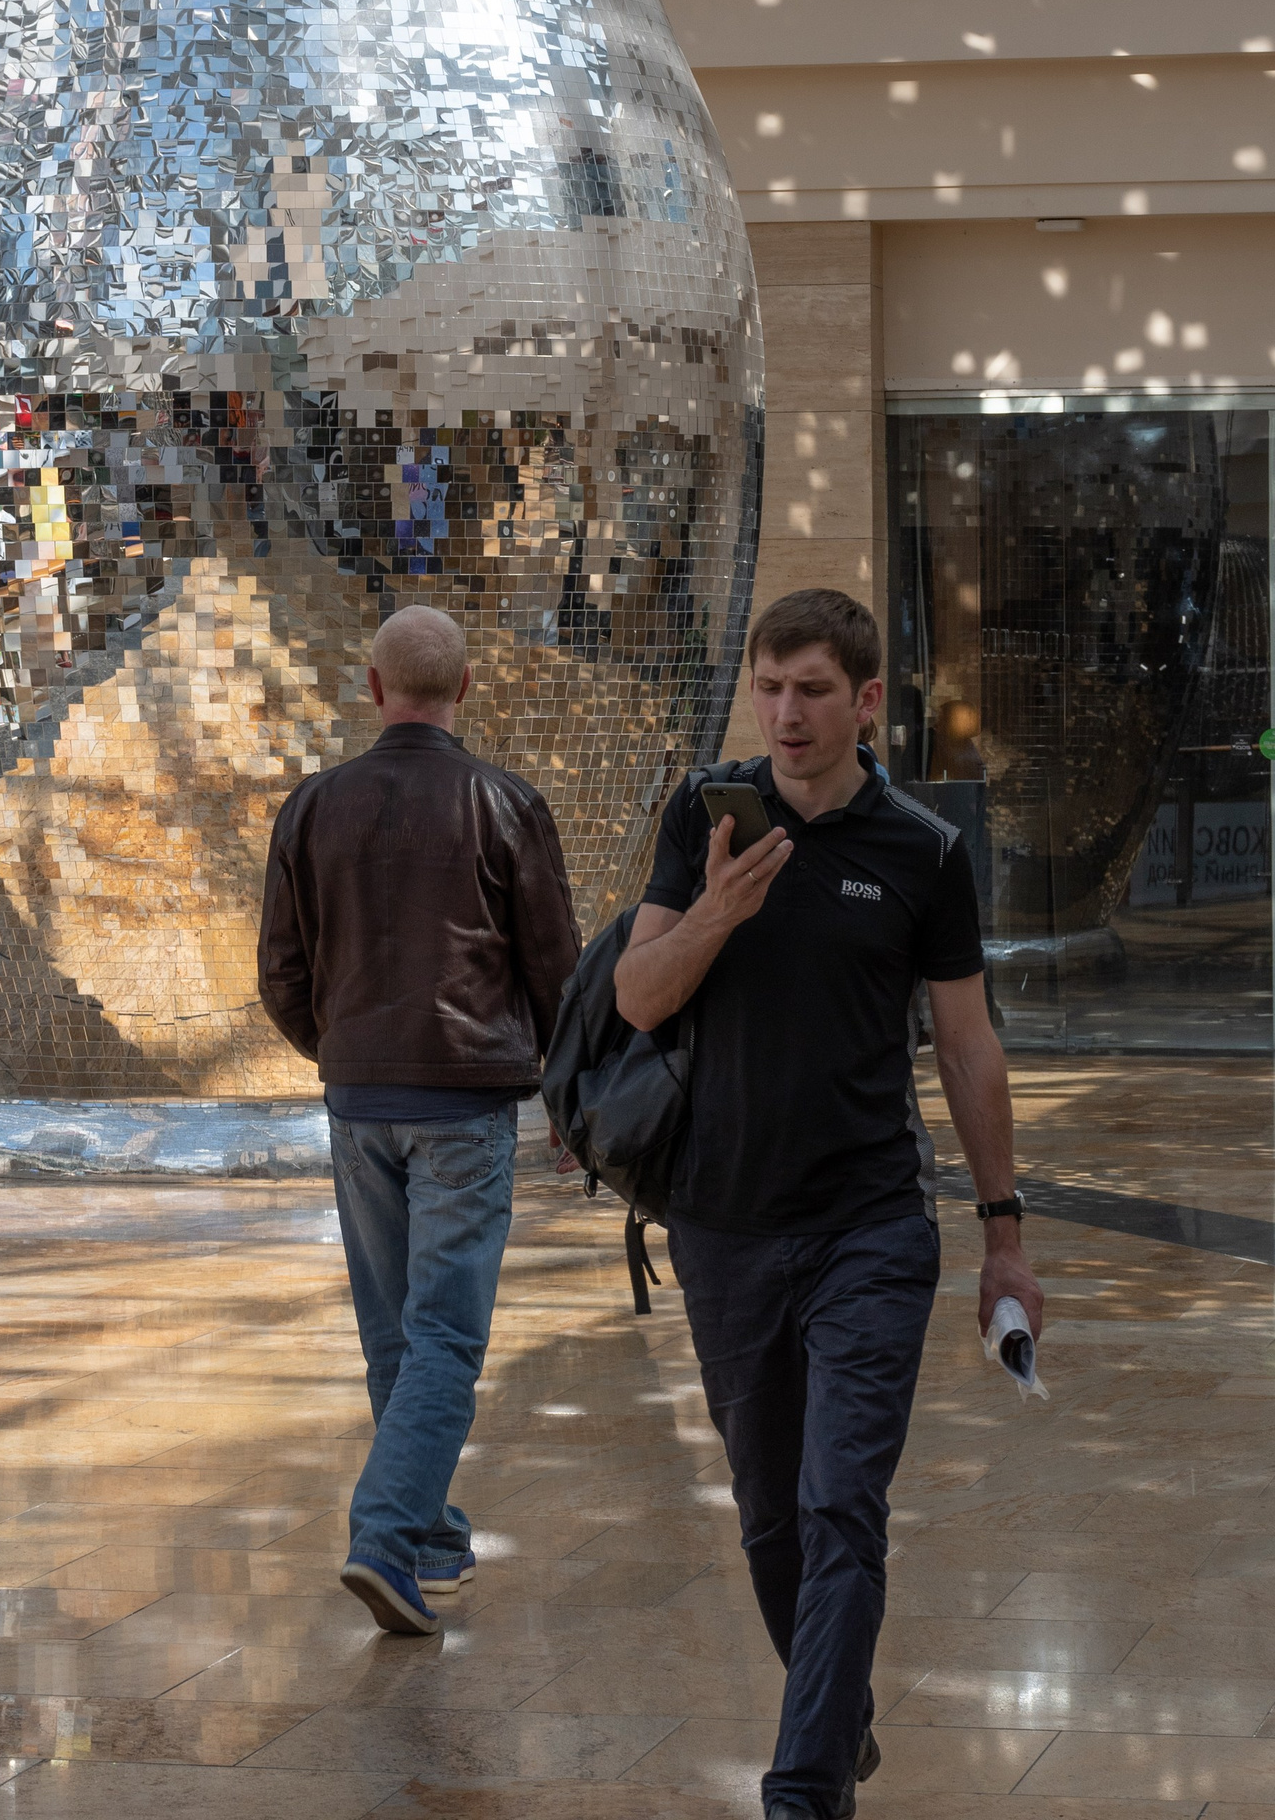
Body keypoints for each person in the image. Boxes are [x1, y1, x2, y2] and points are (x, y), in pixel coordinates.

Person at [618, 587, 1042, 1820]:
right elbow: (639, 998)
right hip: (722, 1225)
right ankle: (835, 1712)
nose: (786, 713)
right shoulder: (702, 815)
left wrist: (1004, 1235)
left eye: (812, 690)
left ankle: (802, 1792)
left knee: (841, 1506)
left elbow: (966, 1045)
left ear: (865, 702)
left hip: (872, 1224)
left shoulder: (924, 851)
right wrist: (717, 910)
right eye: (769, 688)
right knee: (769, 1522)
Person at [257, 604, 581, 1638]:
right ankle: (386, 1535)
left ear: (373, 687)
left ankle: (433, 1542)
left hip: (359, 1103)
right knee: (444, 1336)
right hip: (466, 1102)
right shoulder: (507, 803)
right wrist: (570, 1090)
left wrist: (343, 1051)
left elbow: (281, 974)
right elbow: (557, 972)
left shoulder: (312, 807)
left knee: (396, 1336)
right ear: (465, 688)